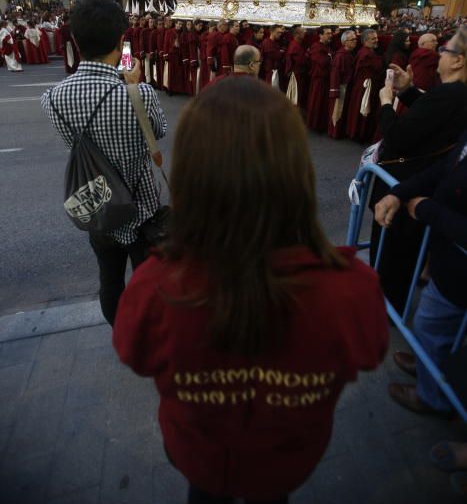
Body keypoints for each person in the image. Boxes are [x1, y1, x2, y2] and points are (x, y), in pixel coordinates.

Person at [113, 76, 388, 504]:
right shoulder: (353, 288)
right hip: (289, 458)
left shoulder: (154, 286)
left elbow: (134, 354)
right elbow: (368, 354)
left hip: (198, 452)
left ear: (190, 173)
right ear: (297, 169)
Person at [41, 0, 167, 325]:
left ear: (76, 41)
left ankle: (120, 331)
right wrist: (134, 88)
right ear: (121, 41)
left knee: (109, 280)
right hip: (141, 210)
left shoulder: (52, 98)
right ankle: (150, 336)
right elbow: (159, 132)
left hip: (99, 205)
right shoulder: (140, 94)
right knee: (151, 283)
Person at [370, 27, 467, 313]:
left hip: (408, 180)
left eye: (445, 49)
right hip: (423, 180)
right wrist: (408, 90)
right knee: (402, 256)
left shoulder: (450, 94)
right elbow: (433, 117)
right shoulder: (455, 95)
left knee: (391, 256)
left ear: (459, 60)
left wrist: (387, 102)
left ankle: (381, 310)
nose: (439, 54)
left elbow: (399, 136)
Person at [375, 124, 467, 417]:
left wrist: (428, 210)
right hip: (446, 258)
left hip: (459, 271)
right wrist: (399, 193)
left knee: (429, 325)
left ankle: (433, 397)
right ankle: (428, 363)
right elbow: (446, 167)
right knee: (437, 331)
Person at [346, 28, 383, 143]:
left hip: (364, 86)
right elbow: (376, 68)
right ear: (366, 40)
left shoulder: (367, 52)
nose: (376, 40)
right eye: (373, 39)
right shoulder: (366, 54)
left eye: (376, 38)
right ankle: (359, 134)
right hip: (364, 87)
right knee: (361, 109)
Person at [328, 30, 357, 139]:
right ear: (345, 42)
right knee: (337, 110)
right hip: (341, 87)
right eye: (352, 40)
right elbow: (335, 74)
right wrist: (335, 90)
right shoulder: (340, 56)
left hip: (346, 87)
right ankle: (334, 132)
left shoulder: (348, 54)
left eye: (355, 39)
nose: (355, 41)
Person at [306, 27, 332, 133]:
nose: (330, 35)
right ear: (320, 35)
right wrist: (330, 57)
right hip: (318, 79)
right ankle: (314, 125)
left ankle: (320, 125)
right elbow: (322, 62)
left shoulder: (327, 46)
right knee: (317, 101)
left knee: (322, 102)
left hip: (325, 79)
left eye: (330, 33)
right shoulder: (316, 46)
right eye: (327, 33)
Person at [285, 26, 309, 108]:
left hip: (299, 75)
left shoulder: (298, 44)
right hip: (296, 75)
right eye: (302, 32)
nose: (305, 33)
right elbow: (300, 61)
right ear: (296, 34)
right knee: (295, 97)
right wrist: (307, 55)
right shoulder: (294, 45)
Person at [163, 19, 185, 94]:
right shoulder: (169, 32)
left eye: (181, 24)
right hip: (171, 55)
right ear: (175, 24)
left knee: (178, 73)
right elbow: (166, 44)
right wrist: (165, 55)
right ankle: (170, 89)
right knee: (170, 73)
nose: (180, 26)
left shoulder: (182, 33)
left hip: (179, 55)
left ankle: (177, 89)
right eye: (179, 24)